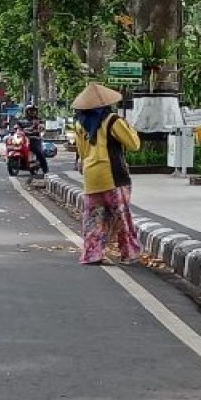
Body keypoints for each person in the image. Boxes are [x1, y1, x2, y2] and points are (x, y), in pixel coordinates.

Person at [72, 83, 142, 266]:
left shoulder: (80, 123)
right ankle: (129, 253)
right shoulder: (112, 121)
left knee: (94, 218)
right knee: (122, 217)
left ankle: (92, 254)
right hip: (113, 176)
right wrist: (129, 128)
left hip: (91, 177)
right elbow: (134, 145)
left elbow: (82, 152)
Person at [20, 104, 49, 176]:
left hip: (35, 139)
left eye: (34, 111)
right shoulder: (22, 120)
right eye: (30, 111)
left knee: (39, 152)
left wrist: (39, 130)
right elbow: (17, 127)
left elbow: (42, 128)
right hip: (23, 139)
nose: (32, 112)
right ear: (27, 111)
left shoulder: (39, 120)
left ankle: (45, 169)